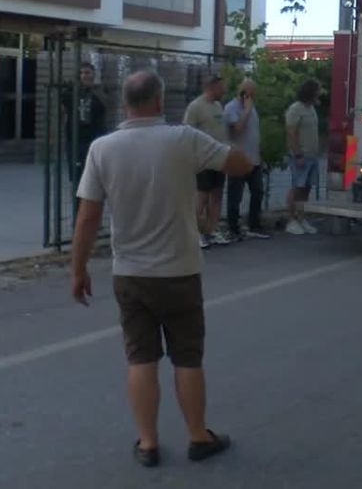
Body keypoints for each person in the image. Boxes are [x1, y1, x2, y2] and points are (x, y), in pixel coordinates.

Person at [71, 70, 253, 467]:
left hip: (131, 274)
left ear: (124, 104)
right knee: (187, 358)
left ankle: (148, 443)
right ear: (159, 100)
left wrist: (78, 270)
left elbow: (87, 218)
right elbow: (238, 164)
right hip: (180, 271)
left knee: (140, 359)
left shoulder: (102, 149)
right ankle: (197, 436)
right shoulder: (183, 139)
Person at [184, 77, 231, 249]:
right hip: (202, 159)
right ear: (211, 86)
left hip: (219, 158)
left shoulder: (218, 106)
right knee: (201, 197)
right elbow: (187, 133)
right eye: (221, 87)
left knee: (217, 196)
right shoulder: (195, 107)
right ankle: (195, 233)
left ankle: (212, 230)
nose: (224, 91)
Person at [224, 78, 270, 241]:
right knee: (235, 194)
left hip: (254, 158)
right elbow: (238, 128)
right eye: (250, 92)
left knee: (257, 191)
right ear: (242, 91)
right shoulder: (231, 108)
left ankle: (254, 224)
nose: (252, 95)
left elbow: (253, 132)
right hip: (238, 158)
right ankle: (233, 227)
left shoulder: (252, 107)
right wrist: (247, 110)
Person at [284, 78, 321, 235]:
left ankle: (301, 217)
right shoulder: (295, 109)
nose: (320, 93)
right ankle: (291, 219)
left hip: (312, 156)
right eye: (318, 90)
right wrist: (297, 154)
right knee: (297, 187)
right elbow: (291, 133)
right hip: (301, 155)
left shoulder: (311, 108)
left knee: (306, 188)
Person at [69, 62, 108, 188]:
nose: (84, 76)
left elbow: (106, 106)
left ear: (93, 74)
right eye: (81, 73)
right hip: (76, 137)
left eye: (87, 72)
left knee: (95, 171)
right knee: (77, 173)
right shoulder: (72, 92)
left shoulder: (98, 92)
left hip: (95, 136)